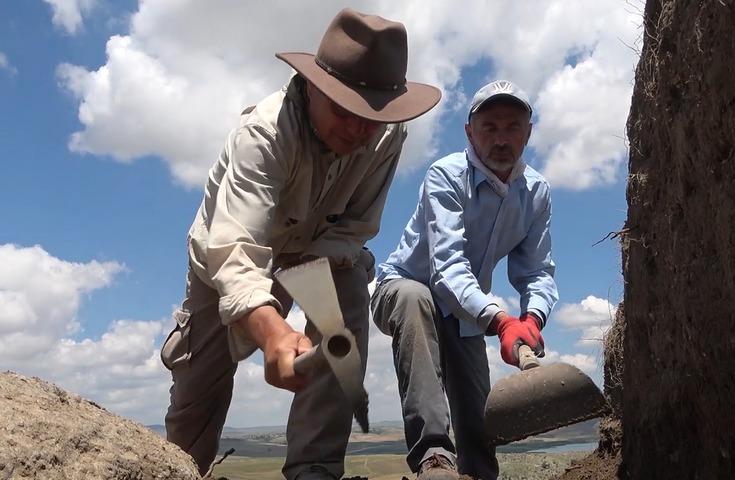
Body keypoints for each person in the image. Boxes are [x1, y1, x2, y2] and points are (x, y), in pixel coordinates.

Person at [159, 8, 440, 480]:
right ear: (314, 86)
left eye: (373, 116)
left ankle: (315, 469)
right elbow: (235, 249)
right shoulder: (264, 133)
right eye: (346, 112)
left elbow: (355, 227)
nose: (360, 130)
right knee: (197, 394)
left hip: (320, 249)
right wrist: (272, 331)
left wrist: (317, 300)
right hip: (229, 256)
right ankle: (180, 470)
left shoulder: (385, 134)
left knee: (348, 293)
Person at [371, 80, 559, 480]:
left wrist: (532, 320)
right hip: (402, 287)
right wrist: (501, 321)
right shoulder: (447, 176)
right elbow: (447, 267)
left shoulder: (536, 192)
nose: (501, 139)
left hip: (464, 310)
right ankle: (434, 459)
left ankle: (479, 473)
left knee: (477, 419)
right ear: (469, 132)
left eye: (512, 127)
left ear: (528, 133)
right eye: (489, 127)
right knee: (414, 298)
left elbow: (537, 270)